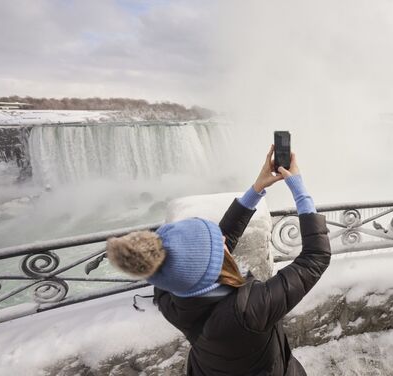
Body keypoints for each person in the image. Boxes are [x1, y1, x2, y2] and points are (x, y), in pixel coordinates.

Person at [106, 146, 331, 375]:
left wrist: (257, 189)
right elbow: (315, 258)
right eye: (218, 242)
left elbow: (207, 256)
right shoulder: (250, 309)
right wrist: (299, 188)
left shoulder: (170, 296)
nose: (224, 239)